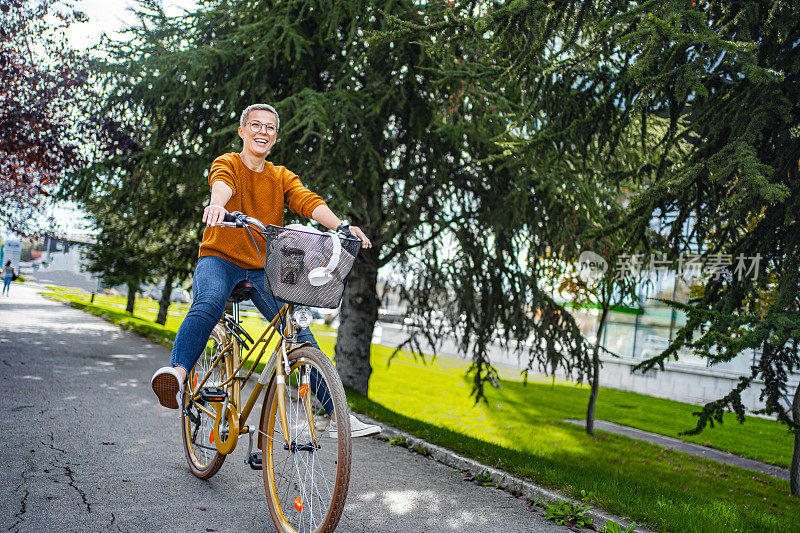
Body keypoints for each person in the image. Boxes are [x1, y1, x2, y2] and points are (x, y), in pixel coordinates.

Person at [151, 103, 380, 438]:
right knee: (210, 301)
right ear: (243, 131)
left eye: (270, 127)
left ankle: (336, 415)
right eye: (255, 125)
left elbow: (306, 200)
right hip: (220, 258)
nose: (263, 132)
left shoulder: (279, 175)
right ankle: (178, 375)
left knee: (295, 326)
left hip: (263, 266)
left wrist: (342, 226)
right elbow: (222, 183)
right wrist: (217, 204)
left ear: (275, 137)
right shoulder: (228, 163)